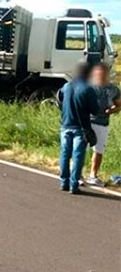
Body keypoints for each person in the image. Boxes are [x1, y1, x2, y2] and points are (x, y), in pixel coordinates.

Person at [58, 62, 99, 194]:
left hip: (65, 125)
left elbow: (59, 100)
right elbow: (95, 110)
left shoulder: (66, 86)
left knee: (64, 154)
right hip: (81, 128)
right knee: (78, 156)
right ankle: (73, 185)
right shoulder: (88, 89)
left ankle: (64, 182)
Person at [85, 63, 120, 187]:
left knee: (99, 150)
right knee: (80, 148)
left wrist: (111, 110)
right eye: (98, 72)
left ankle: (93, 176)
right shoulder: (88, 87)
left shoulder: (113, 89)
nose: (100, 75)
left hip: (102, 122)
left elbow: (119, 104)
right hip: (87, 122)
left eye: (102, 72)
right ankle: (76, 174)